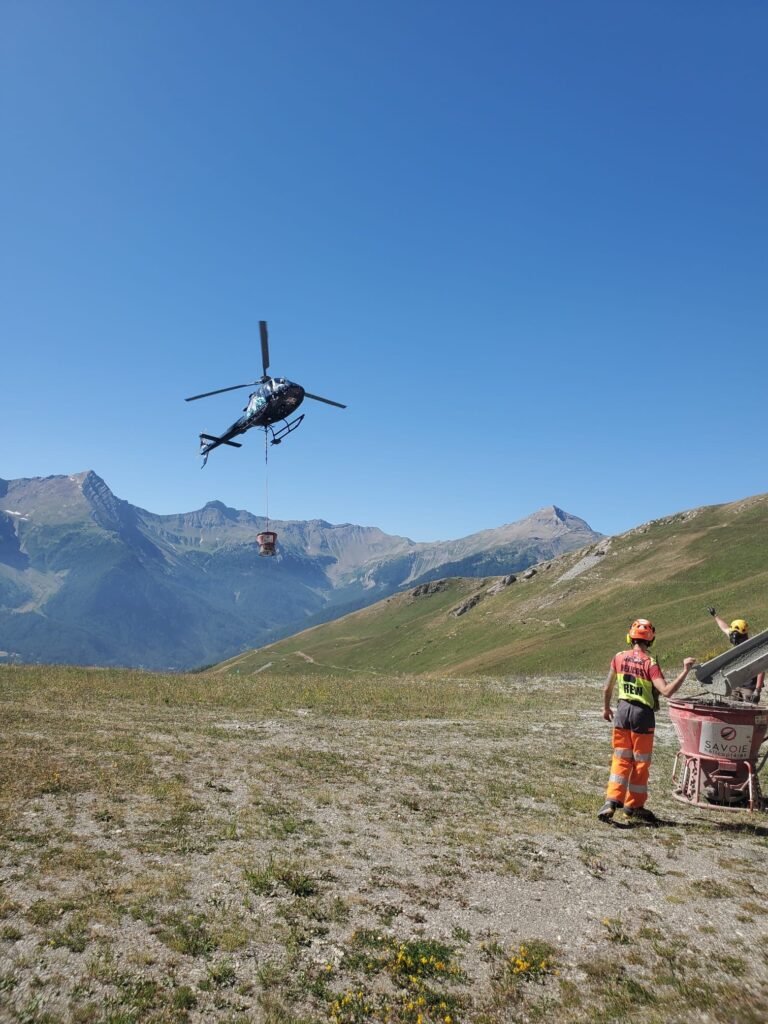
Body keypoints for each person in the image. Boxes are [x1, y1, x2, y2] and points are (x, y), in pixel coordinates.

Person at [598, 619, 696, 823]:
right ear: (650, 640)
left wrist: (606, 708)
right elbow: (666, 691)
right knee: (640, 763)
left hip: (622, 712)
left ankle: (611, 801)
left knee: (621, 758)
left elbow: (607, 687)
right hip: (642, 716)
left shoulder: (619, 657)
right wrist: (685, 670)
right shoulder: (649, 663)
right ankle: (633, 806)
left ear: (630, 638)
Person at [707, 607, 764, 703]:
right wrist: (715, 615)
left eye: (735, 634)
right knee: (731, 705)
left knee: (749, 707)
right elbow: (724, 628)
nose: (732, 637)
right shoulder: (736, 639)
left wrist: (757, 690)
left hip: (749, 687)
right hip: (735, 684)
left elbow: (761, 670)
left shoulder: (753, 648)